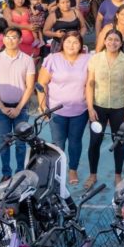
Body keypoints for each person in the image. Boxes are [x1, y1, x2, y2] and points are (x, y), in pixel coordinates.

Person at [84, 29, 124, 189]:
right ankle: (93, 175)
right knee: (94, 142)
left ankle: (118, 175)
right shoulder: (95, 59)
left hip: (119, 107)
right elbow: (89, 84)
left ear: (121, 43)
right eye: (110, 39)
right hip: (98, 107)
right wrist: (90, 108)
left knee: (118, 141)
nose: (113, 42)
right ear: (105, 41)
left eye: (116, 40)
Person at [38, 31, 90, 185]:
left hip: (80, 110)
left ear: (81, 45)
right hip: (56, 110)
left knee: (75, 142)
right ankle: (57, 170)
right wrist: (42, 107)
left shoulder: (88, 59)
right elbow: (42, 84)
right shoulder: (52, 59)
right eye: (68, 42)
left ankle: (72, 169)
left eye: (75, 42)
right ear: (62, 43)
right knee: (58, 143)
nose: (71, 45)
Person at [0, 27, 36, 182]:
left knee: (21, 143)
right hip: (2, 108)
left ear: (20, 40)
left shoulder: (27, 60)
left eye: (14, 37)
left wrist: (19, 108)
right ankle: (6, 174)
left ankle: (20, 173)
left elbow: (30, 86)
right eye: (7, 37)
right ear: (3, 39)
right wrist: (1, 107)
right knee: (5, 142)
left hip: (21, 108)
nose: (10, 40)